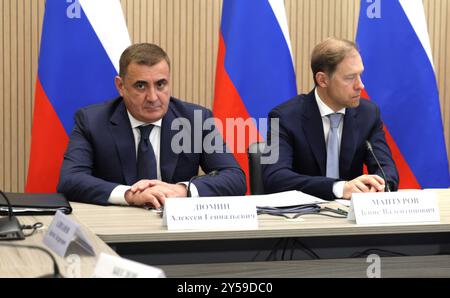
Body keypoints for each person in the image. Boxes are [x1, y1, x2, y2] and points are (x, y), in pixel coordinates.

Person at [57, 43, 246, 207]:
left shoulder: (195, 120)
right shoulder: (92, 121)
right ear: (120, 86)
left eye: (161, 84)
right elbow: (70, 180)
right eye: (141, 86)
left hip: (178, 230)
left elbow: (235, 178)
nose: (153, 97)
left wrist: (182, 190)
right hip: (115, 229)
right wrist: (129, 195)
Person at [262, 37, 399, 200]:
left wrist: (375, 187)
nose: (360, 85)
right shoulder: (284, 117)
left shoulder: (368, 114)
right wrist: (339, 188)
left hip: (353, 218)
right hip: (303, 217)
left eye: (360, 75)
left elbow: (386, 169)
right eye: (350, 78)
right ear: (322, 79)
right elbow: (275, 178)